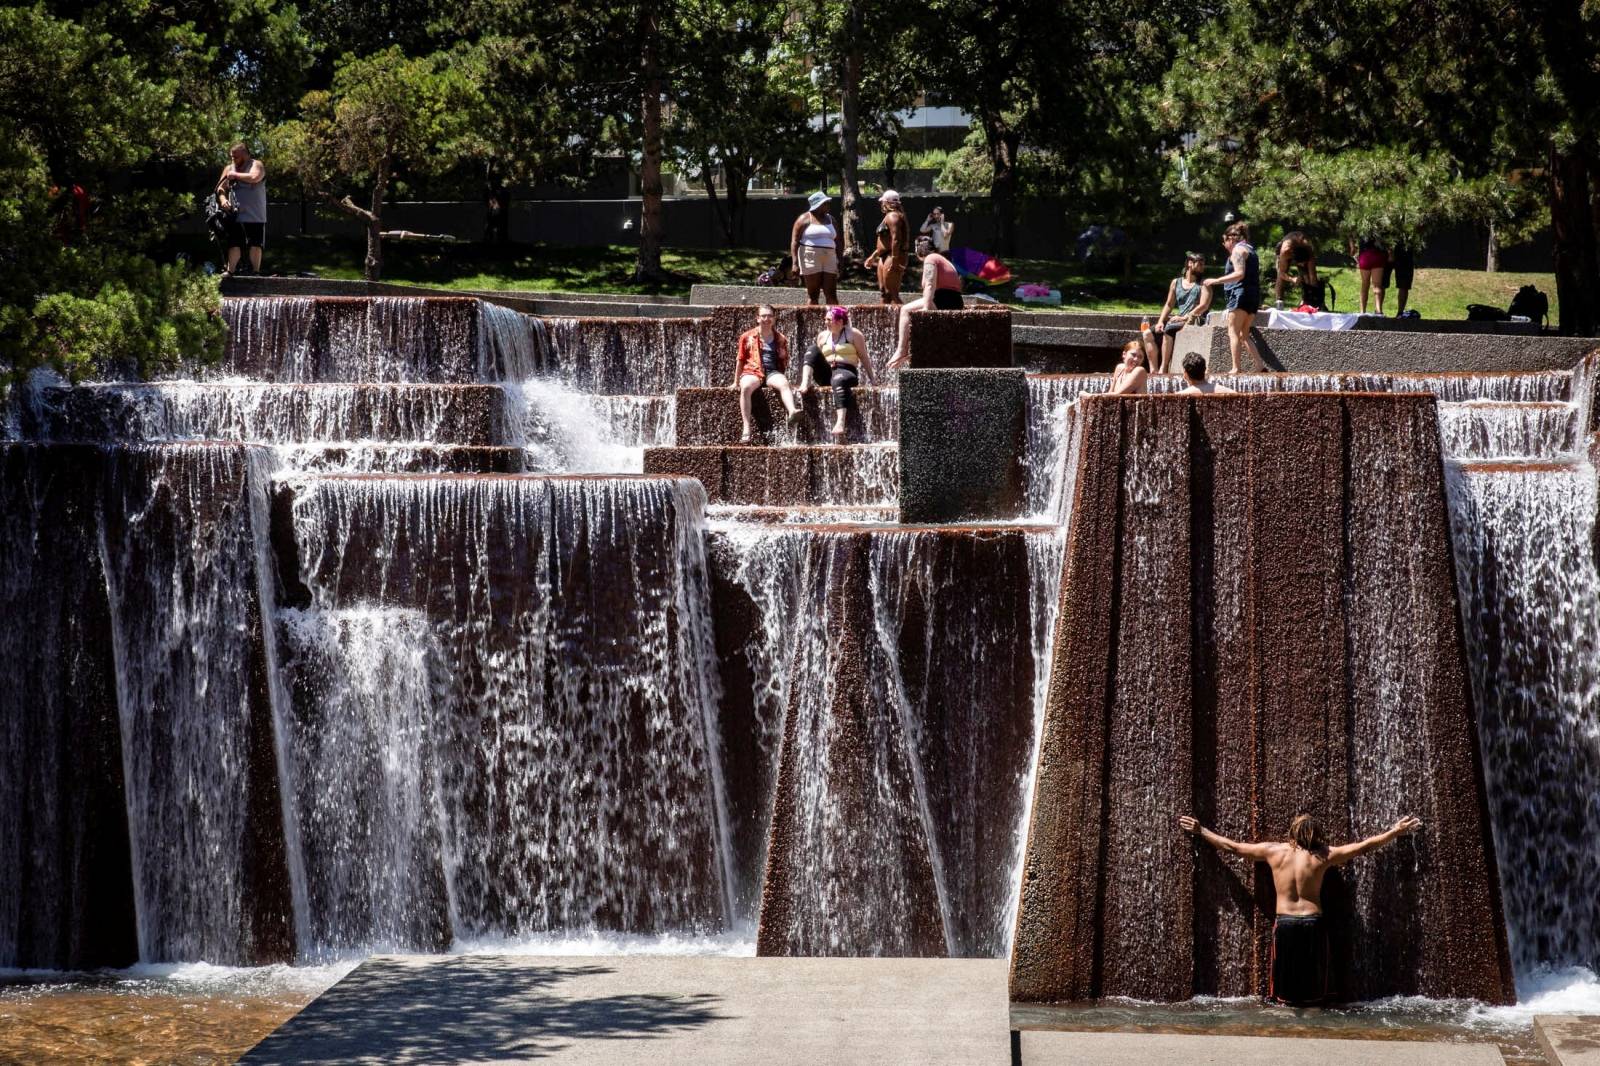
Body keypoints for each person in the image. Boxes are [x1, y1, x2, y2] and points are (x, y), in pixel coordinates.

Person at [1178, 812, 1422, 1006]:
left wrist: (1202, 831)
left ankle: (1287, 1020)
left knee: (1284, 982)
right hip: (1314, 921)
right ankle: (1313, 1017)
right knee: (1315, 981)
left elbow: (1233, 847)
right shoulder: (1324, 855)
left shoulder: (1274, 852)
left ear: (1292, 833)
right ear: (1316, 834)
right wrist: (1395, 831)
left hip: (1285, 922)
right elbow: (1364, 846)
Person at [798, 306, 876, 442]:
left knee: (838, 380)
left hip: (846, 372)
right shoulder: (822, 336)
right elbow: (817, 359)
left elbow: (864, 357)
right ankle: (805, 382)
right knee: (812, 350)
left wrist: (872, 380)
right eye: (825, 319)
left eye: (829, 319)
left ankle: (840, 422)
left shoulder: (853, 334)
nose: (826, 322)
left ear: (840, 321)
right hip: (827, 372)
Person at [888, 235, 964, 369]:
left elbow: (930, 284)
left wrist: (926, 308)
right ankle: (913, 352)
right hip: (954, 300)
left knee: (905, 310)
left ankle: (901, 350)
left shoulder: (930, 258)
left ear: (918, 249)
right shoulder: (944, 260)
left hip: (944, 299)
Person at [730, 304, 802, 443]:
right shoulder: (747, 336)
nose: (766, 318)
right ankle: (746, 427)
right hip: (752, 371)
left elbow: (784, 362)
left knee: (784, 383)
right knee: (745, 387)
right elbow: (740, 359)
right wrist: (735, 382)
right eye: (763, 316)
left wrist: (782, 356)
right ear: (758, 318)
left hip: (772, 372)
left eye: (769, 316)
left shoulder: (781, 338)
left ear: (774, 319)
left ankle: (792, 410)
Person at [1204, 221, 1265, 374]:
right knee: (1244, 334)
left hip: (1240, 295)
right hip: (1253, 297)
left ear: (1231, 239)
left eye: (1225, 241)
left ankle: (1236, 368)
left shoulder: (1238, 250)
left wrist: (1216, 280)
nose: (1225, 245)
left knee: (1233, 331)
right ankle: (1259, 365)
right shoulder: (1251, 250)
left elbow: (1239, 274)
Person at [1149, 252, 1214, 374]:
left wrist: (1184, 317)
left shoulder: (1204, 284)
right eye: (1199, 264)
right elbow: (1169, 304)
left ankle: (1163, 368)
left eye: (1203, 265)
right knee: (1147, 334)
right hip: (1179, 319)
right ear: (1190, 263)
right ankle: (1153, 370)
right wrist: (1160, 321)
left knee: (1169, 328)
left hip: (1196, 319)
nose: (1202, 268)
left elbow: (1204, 306)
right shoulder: (1176, 282)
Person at [217, 141, 267, 275]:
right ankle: (230, 271)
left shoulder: (256, 165)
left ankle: (255, 271)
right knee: (234, 243)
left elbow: (255, 177)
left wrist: (236, 175)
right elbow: (220, 188)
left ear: (245, 155)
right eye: (232, 157)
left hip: (255, 214)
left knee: (255, 243)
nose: (233, 159)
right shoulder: (229, 168)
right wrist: (223, 200)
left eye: (236, 157)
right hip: (235, 214)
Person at [790, 192, 839, 305]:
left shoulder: (832, 220)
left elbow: (838, 241)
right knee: (813, 294)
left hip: (830, 256)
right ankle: (812, 321)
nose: (829, 205)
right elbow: (795, 241)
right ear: (819, 205)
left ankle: (835, 320)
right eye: (826, 203)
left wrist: (840, 260)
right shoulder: (804, 219)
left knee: (831, 293)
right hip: (810, 256)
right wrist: (795, 263)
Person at [862, 189, 910, 304]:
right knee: (884, 292)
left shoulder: (893, 216)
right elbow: (886, 242)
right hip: (884, 256)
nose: (882, 204)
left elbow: (896, 239)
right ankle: (884, 320)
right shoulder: (890, 216)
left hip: (893, 256)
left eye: (883, 202)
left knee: (892, 292)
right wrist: (873, 256)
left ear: (888, 202)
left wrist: (894, 259)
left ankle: (907, 320)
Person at [1274, 231, 1318, 309]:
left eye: (1304, 264)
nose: (1303, 265)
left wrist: (1313, 294)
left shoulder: (1309, 252)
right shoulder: (1285, 252)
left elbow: (1313, 276)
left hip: (1302, 249)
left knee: (1307, 277)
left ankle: (1308, 301)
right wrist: (1292, 279)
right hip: (1286, 247)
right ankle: (1279, 301)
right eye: (1301, 264)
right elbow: (1281, 273)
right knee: (1280, 278)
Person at [1353, 236, 1389, 315]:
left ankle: (1362, 311)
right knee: (1377, 285)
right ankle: (1378, 310)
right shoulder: (1380, 226)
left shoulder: (1362, 228)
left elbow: (1351, 233)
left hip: (1365, 255)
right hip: (1377, 255)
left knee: (1365, 284)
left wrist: (1352, 247)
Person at [1384, 242, 1415, 316]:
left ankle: (1400, 313)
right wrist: (1389, 251)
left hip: (1405, 251)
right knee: (1381, 283)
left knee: (1404, 285)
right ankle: (1379, 312)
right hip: (1387, 249)